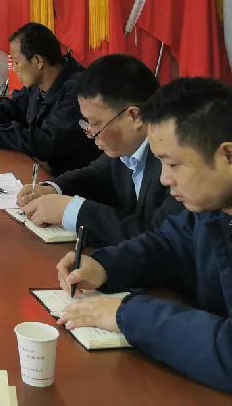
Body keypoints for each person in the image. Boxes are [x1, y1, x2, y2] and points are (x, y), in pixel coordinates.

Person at [57, 77, 231, 393]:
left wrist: (129, 314)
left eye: (173, 164)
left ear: (227, 156)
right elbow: (168, 244)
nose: (164, 179)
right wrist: (105, 266)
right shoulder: (212, 207)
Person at [16, 53, 182, 245]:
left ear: (134, 116)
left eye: (95, 124)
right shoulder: (126, 147)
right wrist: (51, 189)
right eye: (87, 123)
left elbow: (160, 238)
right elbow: (95, 176)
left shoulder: (177, 159)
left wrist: (72, 211)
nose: (91, 134)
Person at [0, 22, 98, 174]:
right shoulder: (39, 83)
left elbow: (46, 142)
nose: (14, 69)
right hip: (40, 168)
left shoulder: (78, 91)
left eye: (16, 62)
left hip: (70, 179)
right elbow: (13, 107)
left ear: (38, 61)